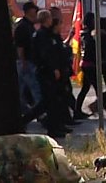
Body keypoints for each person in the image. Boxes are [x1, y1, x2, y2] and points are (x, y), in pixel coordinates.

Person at [32, 10, 70, 138]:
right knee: (50, 102)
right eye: (49, 18)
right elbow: (46, 54)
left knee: (55, 101)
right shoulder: (42, 35)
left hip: (50, 71)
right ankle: (52, 129)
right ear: (46, 19)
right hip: (46, 72)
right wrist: (54, 68)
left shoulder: (48, 34)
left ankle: (58, 126)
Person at [14, 2, 42, 121]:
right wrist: (23, 61)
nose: (36, 13)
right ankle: (40, 114)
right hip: (25, 62)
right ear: (29, 11)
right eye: (35, 11)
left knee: (21, 91)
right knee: (35, 90)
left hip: (27, 62)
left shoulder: (29, 26)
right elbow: (20, 46)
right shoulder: (23, 26)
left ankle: (24, 113)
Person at [74, 13, 97, 119]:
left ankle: (77, 110)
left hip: (85, 63)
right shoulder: (89, 35)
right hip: (89, 64)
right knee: (97, 88)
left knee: (85, 88)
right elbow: (90, 50)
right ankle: (99, 107)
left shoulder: (84, 33)